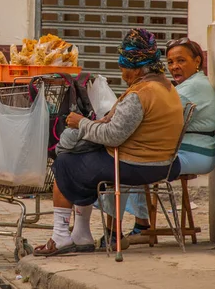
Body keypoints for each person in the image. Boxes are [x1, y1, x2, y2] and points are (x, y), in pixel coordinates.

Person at [33, 28, 184, 257]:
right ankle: (81, 234)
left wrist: (82, 123)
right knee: (81, 159)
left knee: (65, 163)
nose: (122, 74)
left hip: (138, 165)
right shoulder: (166, 86)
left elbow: (113, 136)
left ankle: (61, 236)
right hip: (165, 162)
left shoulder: (140, 93)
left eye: (124, 68)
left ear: (135, 67)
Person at [99, 38, 215, 248]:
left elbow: (155, 112)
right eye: (171, 62)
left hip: (196, 153)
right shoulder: (184, 86)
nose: (174, 67)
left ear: (197, 61)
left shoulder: (194, 86)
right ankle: (141, 226)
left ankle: (114, 232)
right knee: (134, 156)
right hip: (187, 149)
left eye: (181, 60)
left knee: (130, 163)